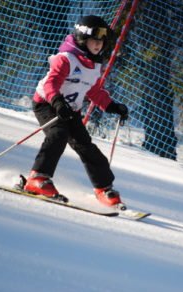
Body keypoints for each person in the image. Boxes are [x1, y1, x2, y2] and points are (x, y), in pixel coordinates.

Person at [23, 15, 128, 208]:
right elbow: (51, 83)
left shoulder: (95, 64)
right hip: (48, 104)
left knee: (86, 146)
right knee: (58, 134)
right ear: (82, 39)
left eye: (102, 42)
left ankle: (104, 188)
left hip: (70, 110)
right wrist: (57, 102)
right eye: (95, 40)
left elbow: (93, 90)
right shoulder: (66, 59)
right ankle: (37, 178)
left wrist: (111, 106)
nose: (99, 45)